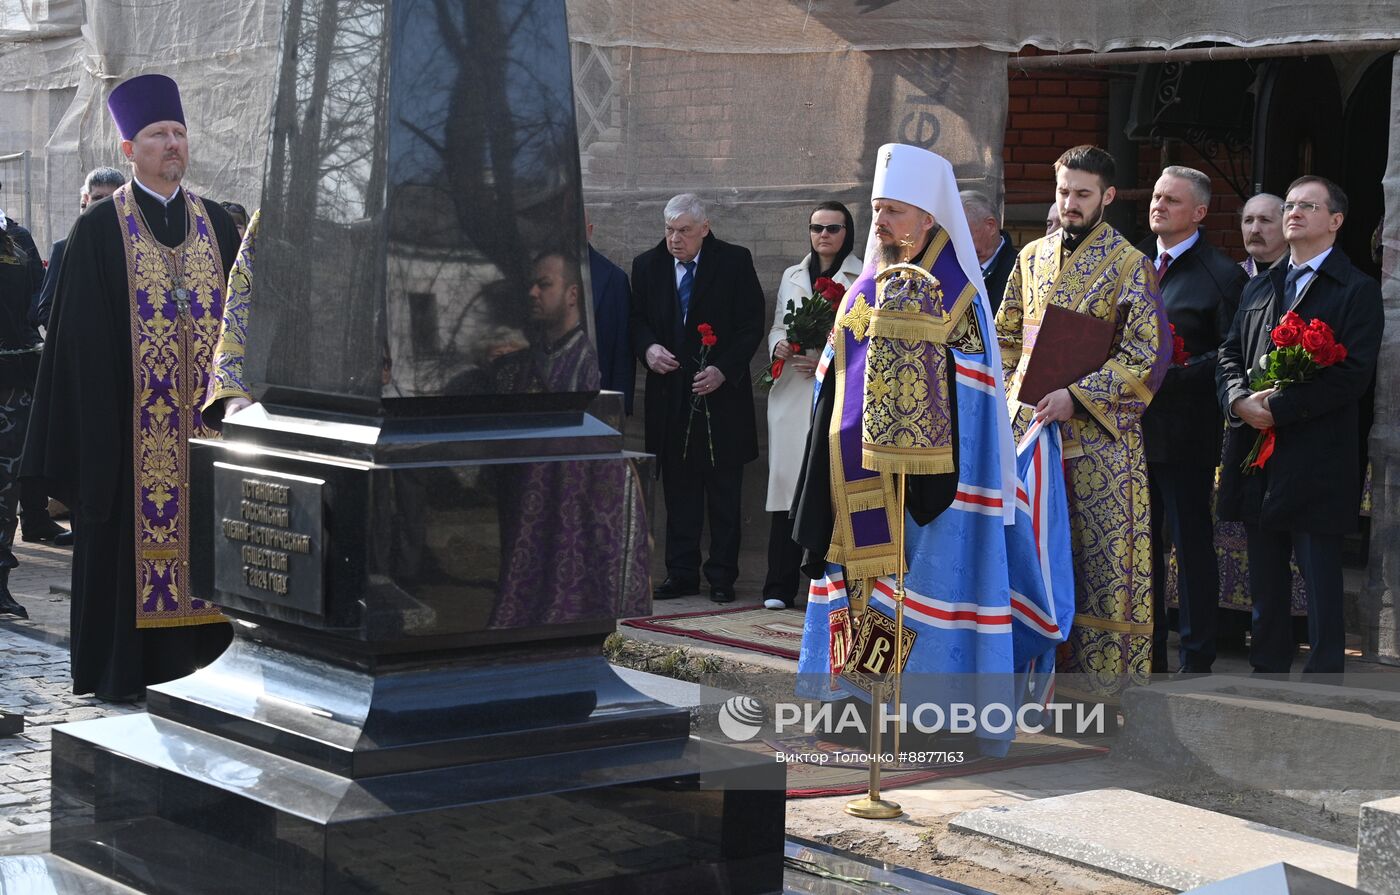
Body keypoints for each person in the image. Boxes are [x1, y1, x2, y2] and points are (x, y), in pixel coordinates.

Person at [792, 144, 1066, 758]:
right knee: (857, 590)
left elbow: (974, 393)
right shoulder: (865, 284)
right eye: (877, 209)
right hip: (855, 472)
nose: (881, 224)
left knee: (913, 594)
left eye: (893, 211)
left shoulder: (959, 295)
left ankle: (921, 716)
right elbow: (831, 373)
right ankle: (852, 704)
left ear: (928, 219)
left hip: (935, 487)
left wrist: (905, 425)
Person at [22, 74, 238, 700]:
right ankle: (128, 671)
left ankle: (211, 668)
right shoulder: (97, 234)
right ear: (129, 150)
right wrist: (102, 446)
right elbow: (79, 352)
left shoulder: (220, 228)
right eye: (157, 135)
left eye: (178, 133)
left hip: (206, 439)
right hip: (129, 445)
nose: (172, 144)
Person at [995, 145, 1170, 703]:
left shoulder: (1129, 264)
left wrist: (1078, 396)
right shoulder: (1030, 258)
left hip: (1098, 446)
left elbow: (1146, 353)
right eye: (1063, 191)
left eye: (1082, 194)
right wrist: (1002, 402)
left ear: (1108, 197)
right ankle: (1023, 684)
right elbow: (1003, 338)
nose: (1069, 203)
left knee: (1099, 561)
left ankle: (1096, 695)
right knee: (1027, 555)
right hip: (1027, 432)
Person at [1217, 176, 1383, 676]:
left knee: (1317, 566)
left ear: (1335, 221)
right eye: (1289, 205)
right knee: (1264, 568)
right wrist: (1238, 400)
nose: (1293, 214)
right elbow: (1229, 352)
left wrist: (1281, 408)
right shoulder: (1260, 284)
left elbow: (1353, 375)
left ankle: (1326, 668)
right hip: (1255, 446)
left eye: (1307, 207)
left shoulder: (1355, 289)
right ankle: (1267, 663)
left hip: (1316, 451)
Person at [1138, 166, 1246, 675]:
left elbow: (1232, 354)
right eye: (1157, 197)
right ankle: (1149, 651)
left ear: (1199, 212)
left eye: (1172, 201)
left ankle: (1197, 654)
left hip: (1185, 435)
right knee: (1142, 549)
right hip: (1130, 431)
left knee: (1189, 544)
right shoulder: (1136, 263)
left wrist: (1170, 374)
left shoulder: (1220, 275)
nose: (1159, 206)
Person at [630, 194, 763, 604]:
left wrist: (724, 368)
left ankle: (722, 575)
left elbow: (750, 324)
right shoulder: (647, 265)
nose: (674, 239)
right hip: (670, 397)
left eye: (684, 230)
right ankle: (681, 572)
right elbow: (635, 320)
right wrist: (648, 349)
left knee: (724, 494)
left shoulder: (734, 261)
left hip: (721, 398)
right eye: (669, 229)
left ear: (704, 228)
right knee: (679, 494)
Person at [762, 201, 862, 611]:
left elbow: (860, 334)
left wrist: (823, 353)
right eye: (816, 227)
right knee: (784, 486)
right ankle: (778, 585)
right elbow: (778, 326)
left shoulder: (861, 274)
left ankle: (824, 584)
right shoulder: (792, 274)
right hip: (790, 391)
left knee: (824, 483)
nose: (823, 235)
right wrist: (779, 346)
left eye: (833, 228)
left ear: (847, 232)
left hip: (832, 390)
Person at [0, 201, 45, 617]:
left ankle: (0, 585)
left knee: (4, 488)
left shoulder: (18, 238)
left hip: (12, 381)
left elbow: (38, 294)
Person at [33, 168, 125, 331]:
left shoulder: (135, 250)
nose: (102, 206)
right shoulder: (64, 249)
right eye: (97, 198)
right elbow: (47, 310)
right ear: (86, 200)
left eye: (111, 199)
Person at [585, 212, 635, 414]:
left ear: (589, 231)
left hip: (597, 405)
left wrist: (617, 410)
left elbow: (623, 350)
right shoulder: (528, 275)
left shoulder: (614, 279)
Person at [960, 190, 1017, 314]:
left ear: (990, 226)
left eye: (961, 231)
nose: (955, 239)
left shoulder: (1020, 269)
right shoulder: (947, 266)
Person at [1240, 192, 1287, 278]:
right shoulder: (1229, 277)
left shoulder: (1301, 277)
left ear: (1286, 227)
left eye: (1265, 220)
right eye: (1248, 220)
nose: (1254, 230)